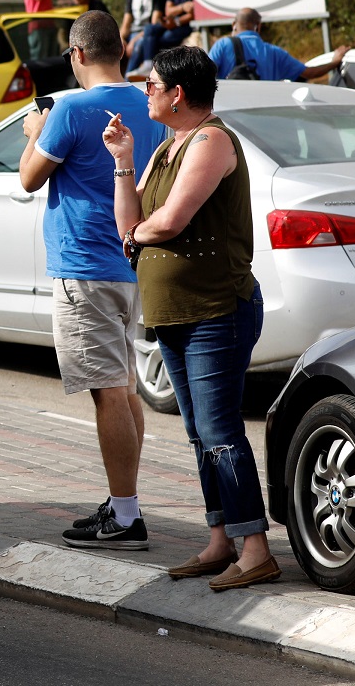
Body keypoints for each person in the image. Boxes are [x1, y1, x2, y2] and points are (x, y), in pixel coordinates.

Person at [102, 45, 279, 591]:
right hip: (177, 313)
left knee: (222, 430)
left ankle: (256, 549)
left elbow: (171, 222)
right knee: (200, 434)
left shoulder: (211, 140)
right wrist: (123, 161)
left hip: (216, 311)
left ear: (178, 94)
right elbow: (127, 218)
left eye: (152, 85)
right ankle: (219, 540)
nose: (145, 92)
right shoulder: (165, 147)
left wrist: (138, 234)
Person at [19, 11, 166, 551]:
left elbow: (30, 178)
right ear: (122, 49)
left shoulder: (71, 109)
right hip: (130, 262)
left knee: (108, 393)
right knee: (124, 389)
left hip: (83, 267)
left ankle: (126, 516)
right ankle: (122, 502)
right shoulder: (148, 104)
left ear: (76, 55)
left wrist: (34, 133)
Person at [208, 8, 349, 81]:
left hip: (229, 115)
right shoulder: (275, 52)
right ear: (258, 26)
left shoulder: (222, 45)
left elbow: (203, 75)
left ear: (234, 25)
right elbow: (310, 73)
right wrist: (335, 61)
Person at [119, 0, 168, 77]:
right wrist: (121, 39)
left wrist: (134, 40)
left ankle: (127, 78)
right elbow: (127, 22)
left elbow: (154, 24)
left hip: (146, 35)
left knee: (138, 44)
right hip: (133, 34)